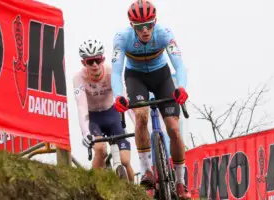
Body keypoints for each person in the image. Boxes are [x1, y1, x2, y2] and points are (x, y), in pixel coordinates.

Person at [110, 0, 190, 198]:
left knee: (173, 128)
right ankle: (147, 170)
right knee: (141, 116)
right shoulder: (122, 38)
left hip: (161, 76)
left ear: (156, 23)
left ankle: (180, 182)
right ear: (132, 26)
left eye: (149, 25)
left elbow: (179, 65)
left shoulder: (164, 34)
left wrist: (181, 87)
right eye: (139, 27)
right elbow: (116, 71)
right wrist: (119, 96)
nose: (145, 30)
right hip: (136, 77)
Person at [73, 39, 134, 182]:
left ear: (103, 59)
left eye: (97, 60)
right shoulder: (78, 78)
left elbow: (124, 98)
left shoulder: (111, 73)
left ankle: (136, 192)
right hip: (93, 118)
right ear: (84, 63)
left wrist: (137, 123)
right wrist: (86, 133)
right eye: (90, 61)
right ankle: (91, 186)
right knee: (100, 150)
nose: (94, 65)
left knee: (125, 161)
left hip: (111, 114)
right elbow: (81, 107)